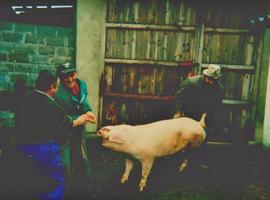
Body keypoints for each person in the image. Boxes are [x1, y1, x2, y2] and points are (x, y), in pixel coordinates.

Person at [15, 70, 92, 200]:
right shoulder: (53, 107)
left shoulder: (24, 99)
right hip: (45, 149)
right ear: (51, 87)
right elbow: (68, 123)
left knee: (31, 182)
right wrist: (83, 118)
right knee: (53, 183)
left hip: (23, 147)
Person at [55, 62, 96, 191]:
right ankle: (64, 189)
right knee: (64, 161)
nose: (70, 79)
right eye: (66, 76)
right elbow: (59, 118)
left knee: (82, 158)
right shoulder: (58, 93)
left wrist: (88, 111)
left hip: (79, 131)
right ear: (60, 78)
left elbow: (83, 103)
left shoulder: (81, 84)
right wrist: (77, 119)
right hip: (64, 132)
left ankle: (85, 188)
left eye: (72, 75)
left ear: (75, 74)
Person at [174, 64, 224, 130]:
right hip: (187, 113)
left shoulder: (219, 88)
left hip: (203, 115)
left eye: (214, 80)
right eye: (210, 79)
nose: (211, 82)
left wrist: (206, 114)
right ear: (205, 76)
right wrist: (178, 111)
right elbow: (179, 97)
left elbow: (216, 103)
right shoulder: (191, 82)